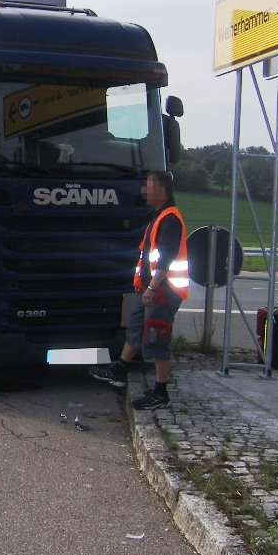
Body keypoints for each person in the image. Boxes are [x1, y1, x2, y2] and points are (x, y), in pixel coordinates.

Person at [89, 170, 189, 409]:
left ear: (162, 190)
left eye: (149, 185)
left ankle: (160, 392)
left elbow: (165, 258)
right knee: (135, 328)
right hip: (150, 290)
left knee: (157, 338)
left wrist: (152, 288)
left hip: (163, 291)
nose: (144, 190)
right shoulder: (158, 216)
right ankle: (120, 369)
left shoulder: (169, 219)